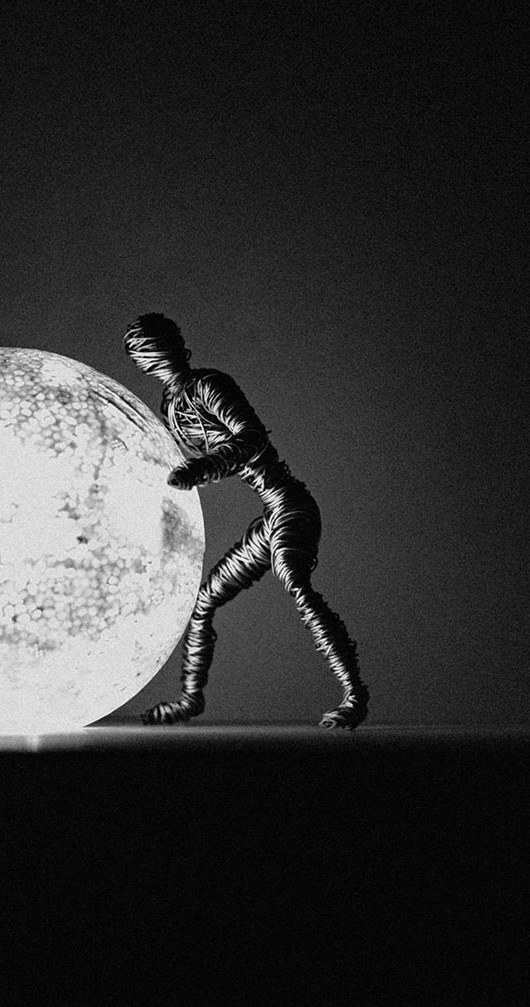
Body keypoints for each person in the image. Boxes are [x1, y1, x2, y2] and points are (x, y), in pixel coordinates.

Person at [124, 312, 369, 729]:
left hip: (289, 505)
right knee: (204, 602)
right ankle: (190, 699)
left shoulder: (208, 385)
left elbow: (251, 438)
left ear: (172, 347)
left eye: (151, 348)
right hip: (270, 518)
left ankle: (355, 695)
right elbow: (176, 460)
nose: (149, 360)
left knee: (297, 584)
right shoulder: (172, 406)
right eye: (141, 354)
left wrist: (205, 467)